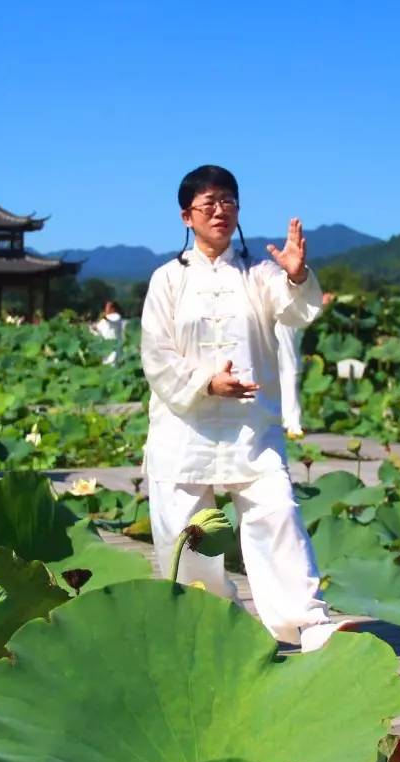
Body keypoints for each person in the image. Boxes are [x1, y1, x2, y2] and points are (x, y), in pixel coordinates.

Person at [140, 164, 357, 652]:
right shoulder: (167, 280)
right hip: (185, 423)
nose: (220, 210)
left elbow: (296, 309)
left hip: (249, 426)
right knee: (186, 532)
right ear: (185, 216)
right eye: (209, 202)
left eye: (229, 201)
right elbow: (156, 354)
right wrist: (205, 383)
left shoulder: (259, 274)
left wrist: (298, 274)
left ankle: (305, 621)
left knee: (277, 510)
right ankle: (216, 623)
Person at [93, 300, 126, 364]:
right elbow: (98, 333)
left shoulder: (117, 317)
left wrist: (103, 316)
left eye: (108, 307)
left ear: (113, 308)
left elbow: (111, 319)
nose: (106, 309)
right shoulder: (103, 321)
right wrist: (95, 328)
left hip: (115, 349)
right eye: (106, 307)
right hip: (106, 349)